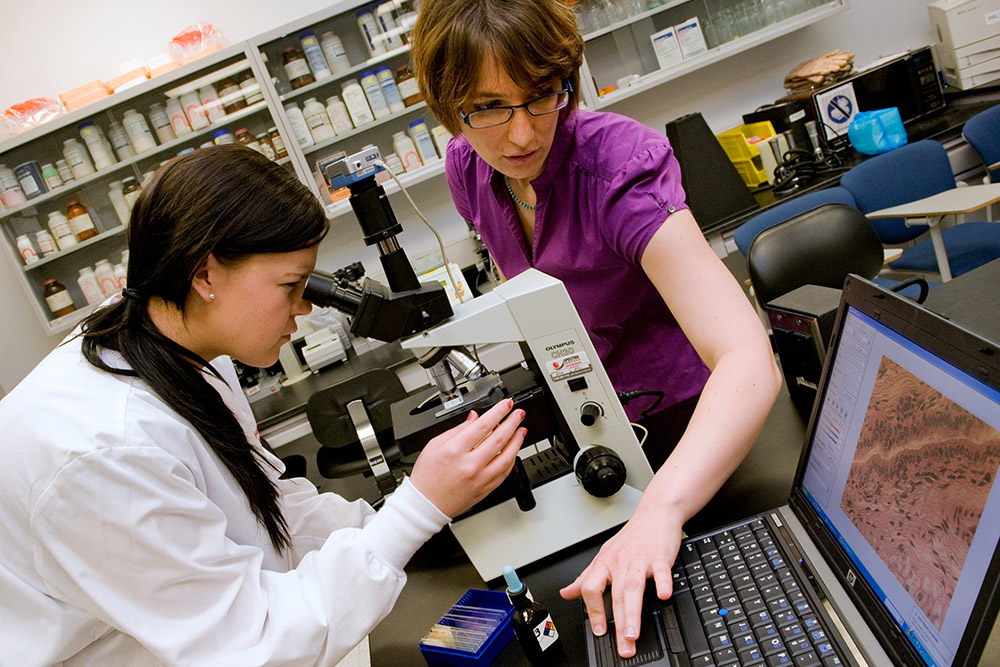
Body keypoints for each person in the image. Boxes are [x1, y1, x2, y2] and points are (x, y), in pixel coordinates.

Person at [0, 145, 527, 665]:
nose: (303, 307)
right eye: (291, 285)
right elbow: (252, 646)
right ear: (204, 275)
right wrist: (416, 511)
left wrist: (398, 521)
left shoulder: (174, 342)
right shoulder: (103, 450)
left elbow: (270, 507)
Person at [410, 0, 782, 658]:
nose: (521, 133)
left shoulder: (618, 166)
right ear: (450, 106)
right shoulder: (469, 168)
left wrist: (663, 508)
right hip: (601, 429)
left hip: (694, 431)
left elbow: (749, 360)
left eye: (541, 96)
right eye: (489, 107)